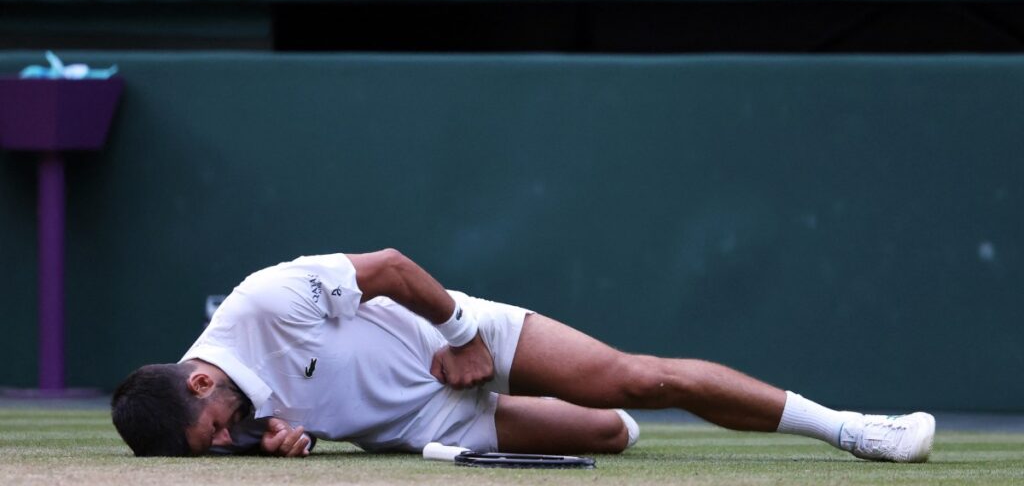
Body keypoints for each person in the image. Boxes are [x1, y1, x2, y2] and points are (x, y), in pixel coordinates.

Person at [111, 249, 935, 462]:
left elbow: (393, 269)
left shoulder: (262, 301)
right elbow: (295, 437)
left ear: (202, 378)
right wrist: (284, 452)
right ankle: (601, 421)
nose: (223, 445)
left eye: (214, 429)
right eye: (212, 449)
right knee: (611, 436)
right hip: (426, 424)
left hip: (453, 342)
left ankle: (850, 429)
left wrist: (465, 335)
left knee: (641, 380)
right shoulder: (226, 430)